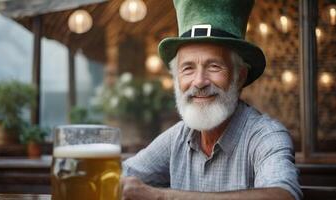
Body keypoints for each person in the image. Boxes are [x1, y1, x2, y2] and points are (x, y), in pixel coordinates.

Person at [121, 0, 302, 200]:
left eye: (214, 66)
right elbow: (122, 176)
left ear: (239, 76)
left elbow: (283, 196)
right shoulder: (178, 137)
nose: (199, 82)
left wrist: (159, 196)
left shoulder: (266, 136)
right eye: (188, 68)